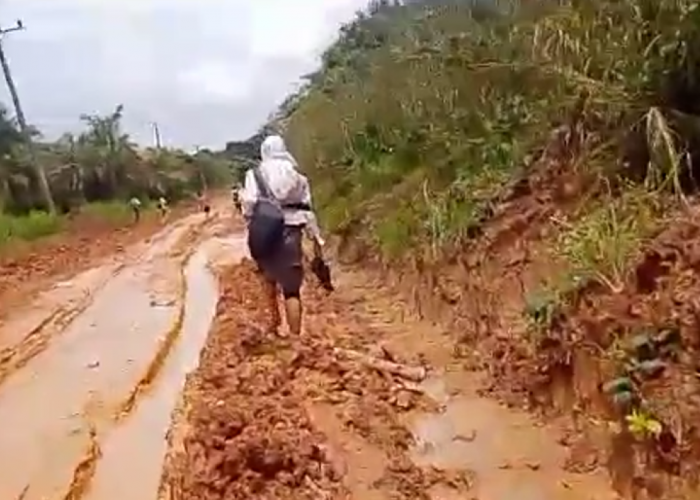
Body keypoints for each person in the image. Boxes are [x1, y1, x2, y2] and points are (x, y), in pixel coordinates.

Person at [241, 134, 325, 337]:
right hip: (291, 231)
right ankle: (296, 337)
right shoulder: (298, 176)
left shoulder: (255, 174)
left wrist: (252, 221)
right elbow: (307, 209)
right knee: (291, 289)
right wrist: (316, 238)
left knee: (267, 278)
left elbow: (249, 204)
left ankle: (274, 325)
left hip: (265, 230)